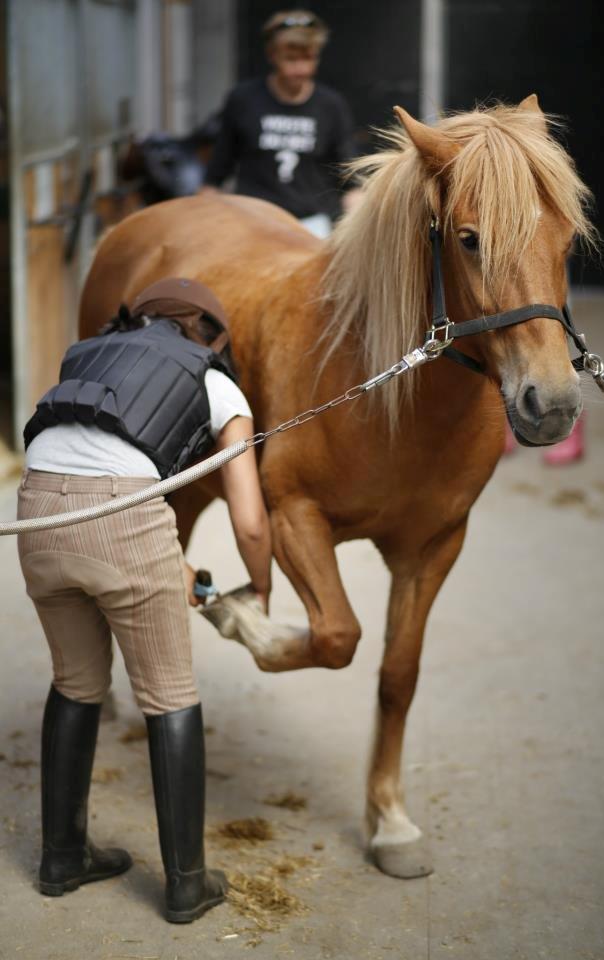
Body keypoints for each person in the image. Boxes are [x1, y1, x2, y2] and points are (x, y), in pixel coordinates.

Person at [16, 278, 272, 922]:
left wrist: (167, 560)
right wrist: (261, 586)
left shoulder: (87, 355)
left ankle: (62, 857)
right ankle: (187, 883)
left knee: (76, 681)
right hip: (121, 521)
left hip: (36, 510)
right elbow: (249, 520)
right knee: (169, 695)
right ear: (210, 335)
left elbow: (88, 459)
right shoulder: (215, 380)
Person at [204, 9, 361, 238]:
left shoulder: (331, 106)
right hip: (253, 222)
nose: (301, 68)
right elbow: (214, 177)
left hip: (312, 225)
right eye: (291, 59)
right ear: (272, 55)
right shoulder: (243, 100)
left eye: (308, 58)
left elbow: (350, 180)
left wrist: (357, 223)